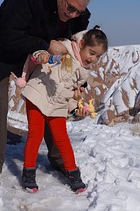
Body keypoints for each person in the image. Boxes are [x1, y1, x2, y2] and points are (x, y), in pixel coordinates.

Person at [0, 0, 93, 190]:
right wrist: (47, 44)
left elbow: (76, 47)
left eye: (79, 12)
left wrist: (79, 83)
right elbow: (7, 36)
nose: (73, 15)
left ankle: (58, 161)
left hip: (37, 56)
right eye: (71, 8)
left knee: (50, 96)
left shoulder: (78, 16)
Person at [21, 27, 108, 193]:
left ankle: (73, 173)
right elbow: (42, 51)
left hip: (58, 103)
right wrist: (41, 55)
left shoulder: (84, 73)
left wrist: (76, 109)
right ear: (81, 44)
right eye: (91, 52)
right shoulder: (65, 47)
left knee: (62, 138)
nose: (93, 59)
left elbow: (69, 93)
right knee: (35, 134)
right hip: (38, 93)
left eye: (98, 56)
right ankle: (28, 173)